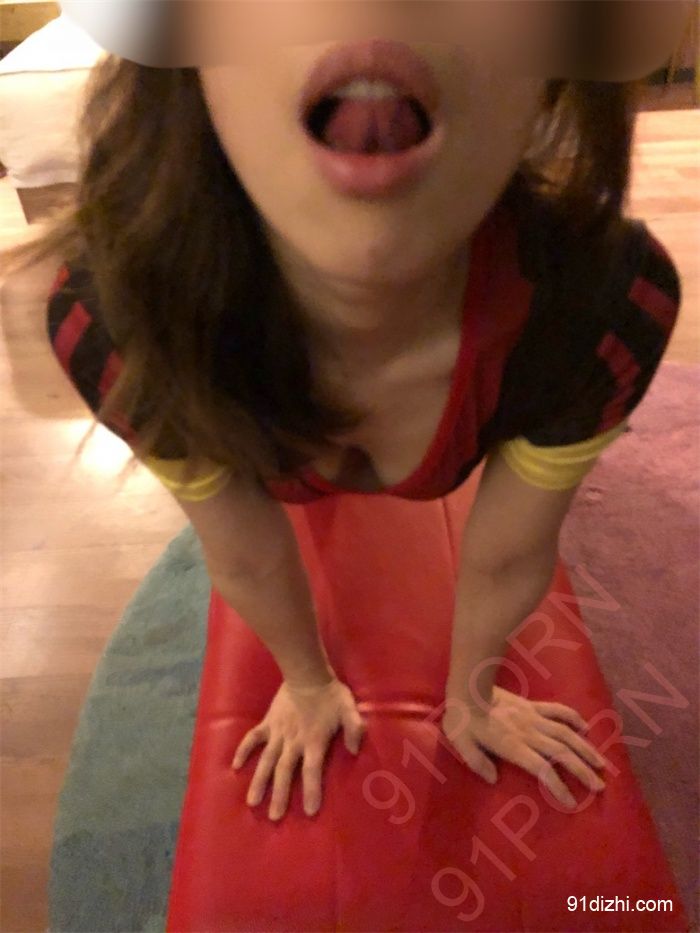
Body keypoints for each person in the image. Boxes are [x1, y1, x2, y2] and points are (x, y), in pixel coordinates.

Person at [1, 9, 683, 824]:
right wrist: (307, 683)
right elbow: (244, 551)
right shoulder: (120, 329)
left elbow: (509, 554)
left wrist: (471, 699)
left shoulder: (604, 312)